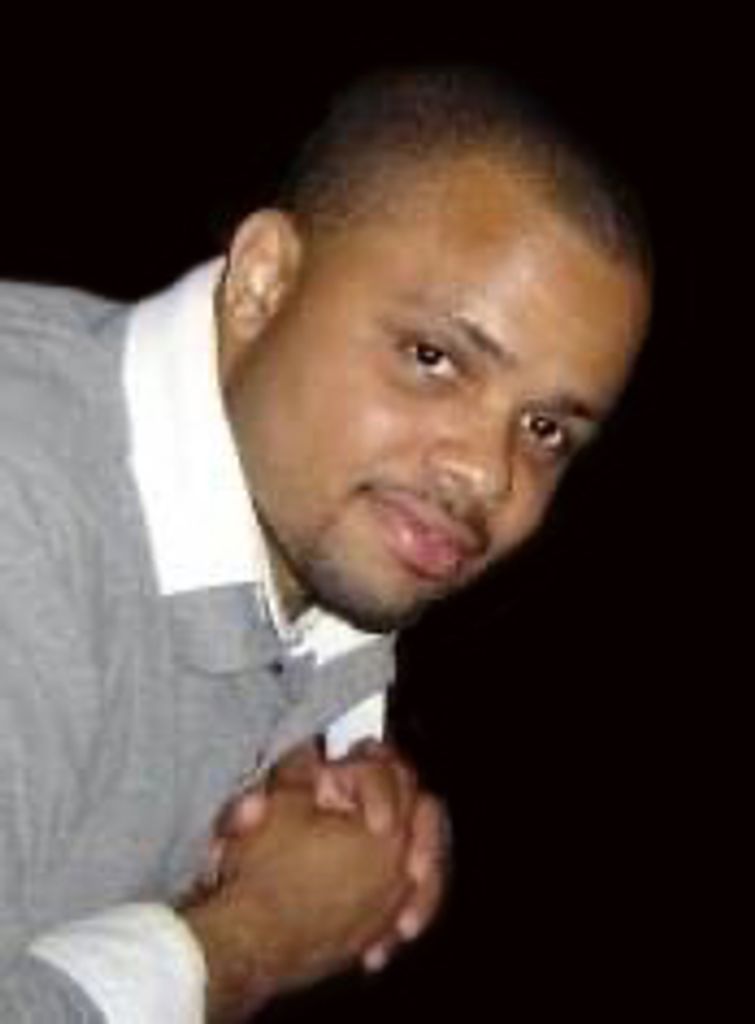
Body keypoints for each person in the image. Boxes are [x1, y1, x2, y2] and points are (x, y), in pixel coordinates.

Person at [0, 66, 652, 1022]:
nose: (487, 476)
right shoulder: (25, 514)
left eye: (546, 430)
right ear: (263, 281)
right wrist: (248, 941)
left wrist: (345, 800)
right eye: (432, 358)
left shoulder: (310, 533)